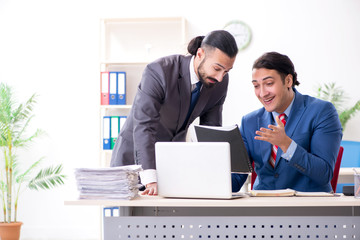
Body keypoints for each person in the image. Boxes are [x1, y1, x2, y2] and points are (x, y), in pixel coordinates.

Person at [111, 30, 238, 195]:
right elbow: (144, 125)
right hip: (134, 158)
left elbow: (210, 132)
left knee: (168, 217)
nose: (221, 77)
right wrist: (150, 177)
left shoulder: (219, 83)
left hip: (171, 161)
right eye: (217, 68)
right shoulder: (159, 71)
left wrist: (209, 177)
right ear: (200, 54)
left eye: (226, 71)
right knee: (130, 218)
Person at [232, 52, 342, 192]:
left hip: (309, 206)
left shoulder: (322, 112)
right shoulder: (249, 122)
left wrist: (286, 144)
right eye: (256, 86)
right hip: (263, 207)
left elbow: (323, 174)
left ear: (288, 81)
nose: (262, 93)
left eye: (269, 83)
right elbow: (235, 180)